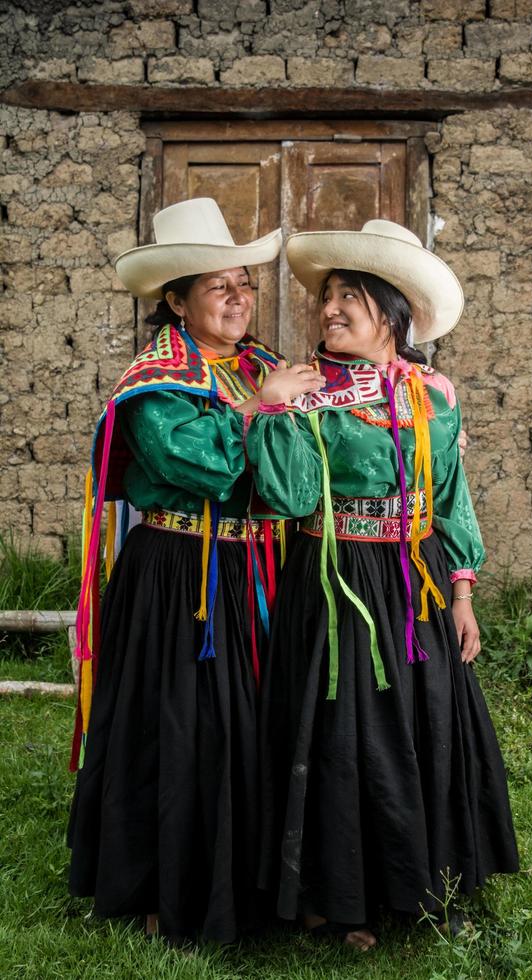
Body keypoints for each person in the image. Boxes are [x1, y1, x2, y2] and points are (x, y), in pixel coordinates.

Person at [246, 220, 520, 951]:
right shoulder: (309, 390)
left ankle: (428, 877)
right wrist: (274, 411)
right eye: (326, 296)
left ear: (392, 314)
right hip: (336, 579)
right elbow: (292, 495)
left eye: (349, 297)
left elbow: (452, 493)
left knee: (424, 719)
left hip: (418, 580)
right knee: (343, 732)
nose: (328, 309)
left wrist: (462, 593)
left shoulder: (433, 392)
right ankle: (337, 899)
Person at [66, 198, 323, 945]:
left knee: (254, 719)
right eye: (220, 286)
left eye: (245, 283)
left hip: (256, 572)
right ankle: (161, 883)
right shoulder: (152, 382)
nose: (241, 298)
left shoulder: (263, 367)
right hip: (179, 576)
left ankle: (255, 882)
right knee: (177, 725)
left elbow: (302, 473)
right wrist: (257, 414)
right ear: (176, 300)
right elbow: (202, 466)